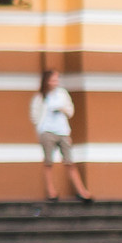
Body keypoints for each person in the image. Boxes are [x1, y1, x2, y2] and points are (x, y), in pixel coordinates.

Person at [30, 68, 90, 201]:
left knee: (69, 162)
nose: (55, 82)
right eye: (53, 79)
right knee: (48, 162)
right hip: (47, 131)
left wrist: (61, 109)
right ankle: (51, 191)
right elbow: (35, 115)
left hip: (62, 131)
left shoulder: (62, 94)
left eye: (56, 79)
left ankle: (81, 190)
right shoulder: (41, 97)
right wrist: (40, 130)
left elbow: (70, 110)